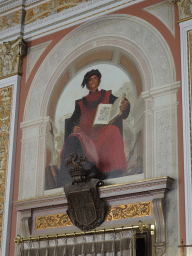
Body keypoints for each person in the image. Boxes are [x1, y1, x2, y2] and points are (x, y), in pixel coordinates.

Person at [58, 69, 130, 187]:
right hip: (87, 136)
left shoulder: (107, 94)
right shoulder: (81, 103)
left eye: (95, 78)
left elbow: (119, 102)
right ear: (87, 83)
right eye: (90, 79)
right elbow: (71, 121)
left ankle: (113, 171)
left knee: (113, 130)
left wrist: (125, 104)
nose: (93, 81)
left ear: (99, 81)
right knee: (75, 138)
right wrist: (74, 127)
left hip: (103, 131)